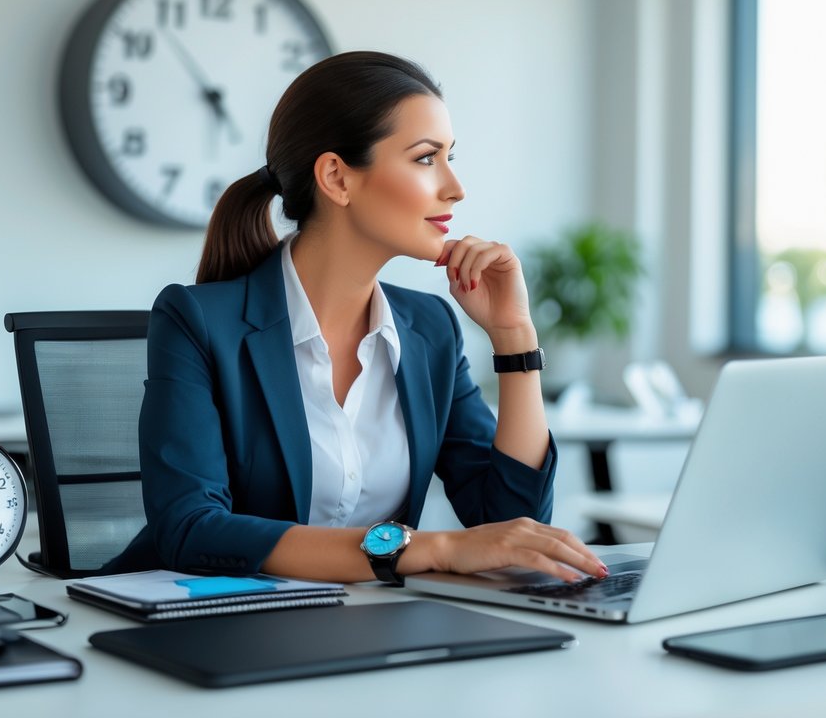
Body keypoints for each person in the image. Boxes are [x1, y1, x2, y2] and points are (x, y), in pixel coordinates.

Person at [111, 51, 606, 586]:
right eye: (424, 158)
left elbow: (508, 524)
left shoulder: (429, 328)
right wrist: (429, 548)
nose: (454, 187)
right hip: (215, 629)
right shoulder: (199, 321)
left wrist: (514, 339)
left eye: (450, 157)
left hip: (371, 627)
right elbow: (191, 528)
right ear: (337, 178)